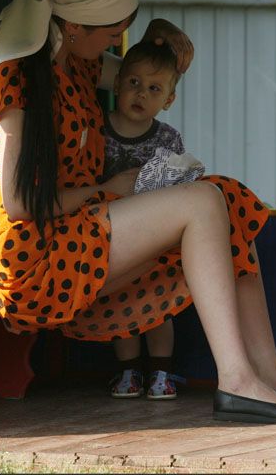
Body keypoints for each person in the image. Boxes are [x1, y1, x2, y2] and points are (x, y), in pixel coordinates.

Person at [0, 0, 276, 423]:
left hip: (76, 233)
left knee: (229, 201)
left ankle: (271, 375)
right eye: (114, 32)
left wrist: (160, 41)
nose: (121, 39)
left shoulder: (74, 65)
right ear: (74, 27)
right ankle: (237, 382)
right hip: (31, 264)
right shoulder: (14, 84)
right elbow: (17, 204)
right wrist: (110, 190)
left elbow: (148, 77)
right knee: (203, 203)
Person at [103, 40, 196, 400]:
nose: (141, 94)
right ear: (117, 84)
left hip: (156, 237)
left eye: (154, 88)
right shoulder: (98, 133)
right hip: (113, 236)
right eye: (134, 83)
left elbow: (179, 184)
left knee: (157, 306)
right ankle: (127, 374)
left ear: (168, 100)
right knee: (120, 306)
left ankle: (161, 373)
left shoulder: (167, 139)